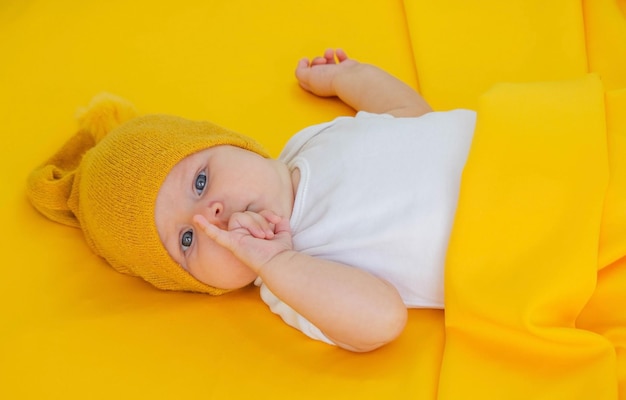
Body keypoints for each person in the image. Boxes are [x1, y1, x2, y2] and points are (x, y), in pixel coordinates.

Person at [27, 49, 476, 352]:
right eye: (186, 241)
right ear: (205, 286)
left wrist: (350, 77)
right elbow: (383, 319)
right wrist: (277, 262)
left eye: (200, 182)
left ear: (232, 143)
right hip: (506, 240)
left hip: (512, 140)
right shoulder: (289, 282)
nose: (209, 217)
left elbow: (411, 121)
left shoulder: (311, 143)